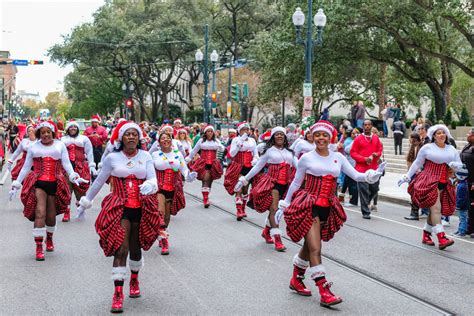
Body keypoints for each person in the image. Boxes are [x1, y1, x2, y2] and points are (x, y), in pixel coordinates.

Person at [277, 120, 384, 306]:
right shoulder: (306, 158)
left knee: (309, 246)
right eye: (317, 135)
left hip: (328, 206)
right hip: (309, 205)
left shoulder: (338, 158)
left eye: (324, 135)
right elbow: (295, 182)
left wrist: (370, 175)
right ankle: (324, 289)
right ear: (313, 136)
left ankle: (296, 279)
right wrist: (284, 203)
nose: (320, 138)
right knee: (316, 249)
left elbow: (355, 175)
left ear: (330, 138)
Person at [77, 120, 162, 313]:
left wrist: (151, 185)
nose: (131, 137)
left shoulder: (146, 156)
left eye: (134, 134)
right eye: (127, 134)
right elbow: (99, 182)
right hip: (119, 206)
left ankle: (134, 279)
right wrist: (85, 202)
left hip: (142, 207)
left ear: (139, 137)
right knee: (120, 248)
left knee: (135, 247)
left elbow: (152, 178)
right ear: (121, 138)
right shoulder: (112, 158)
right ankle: (117, 293)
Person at [9, 121, 86, 261]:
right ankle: (38, 246)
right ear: (39, 134)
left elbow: (66, 163)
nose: (45, 135)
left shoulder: (59, 145)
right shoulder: (34, 147)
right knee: (40, 212)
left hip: (55, 182)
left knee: (51, 216)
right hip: (39, 182)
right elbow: (26, 167)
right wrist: (17, 183)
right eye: (43, 132)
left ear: (52, 133)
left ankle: (49, 238)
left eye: (48, 132)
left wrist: (74, 175)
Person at [398, 124, 462, 250]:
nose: (441, 135)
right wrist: (407, 176)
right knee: (436, 209)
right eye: (438, 133)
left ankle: (426, 235)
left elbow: (459, 165)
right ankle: (441, 237)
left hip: (444, 182)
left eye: (443, 133)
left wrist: (455, 165)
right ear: (433, 135)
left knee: (434, 211)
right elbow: (417, 163)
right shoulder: (427, 148)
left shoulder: (451, 149)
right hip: (429, 181)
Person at [234, 127, 295, 252]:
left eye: (281, 134)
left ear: (284, 137)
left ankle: (266, 231)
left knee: (278, 211)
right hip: (273, 183)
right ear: (273, 137)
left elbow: (300, 167)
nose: (279, 136)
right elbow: (257, 167)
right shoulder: (269, 151)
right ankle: (277, 238)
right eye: (277, 134)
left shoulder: (290, 152)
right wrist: (244, 180)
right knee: (274, 209)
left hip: (286, 185)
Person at [152, 132, 196, 255]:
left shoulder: (178, 154)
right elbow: (149, 170)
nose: (165, 140)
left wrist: (189, 176)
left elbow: (184, 169)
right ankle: (165, 242)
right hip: (159, 187)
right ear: (159, 142)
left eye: (168, 138)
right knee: (160, 213)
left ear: (171, 141)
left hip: (173, 187)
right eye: (163, 139)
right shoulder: (154, 154)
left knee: (166, 216)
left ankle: (162, 234)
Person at [60, 120, 97, 222]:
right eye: (71, 127)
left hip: (81, 166)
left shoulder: (84, 139)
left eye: (75, 127)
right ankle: (66, 212)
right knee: (66, 189)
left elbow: (89, 153)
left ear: (77, 129)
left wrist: (91, 165)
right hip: (67, 167)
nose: (73, 128)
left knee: (80, 190)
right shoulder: (62, 140)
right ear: (67, 129)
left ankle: (80, 208)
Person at [224, 122, 258, 220]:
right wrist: (239, 144)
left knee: (245, 190)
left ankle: (243, 208)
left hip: (249, 167)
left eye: (247, 130)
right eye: (243, 129)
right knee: (238, 187)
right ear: (239, 131)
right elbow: (232, 153)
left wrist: (255, 159)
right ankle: (238, 210)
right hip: (238, 166)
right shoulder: (236, 140)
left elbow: (255, 153)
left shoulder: (252, 140)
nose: (246, 131)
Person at [350, 120, 383, 219]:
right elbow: (353, 153)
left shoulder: (376, 138)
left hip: (373, 170)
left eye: (369, 125)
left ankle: (366, 202)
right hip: (361, 169)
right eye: (365, 125)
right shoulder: (358, 139)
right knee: (363, 190)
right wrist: (364, 159)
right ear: (363, 126)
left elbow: (379, 149)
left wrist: (377, 154)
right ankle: (365, 212)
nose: (367, 126)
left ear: (371, 126)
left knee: (374, 189)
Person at [186, 125, 224, 208]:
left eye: (211, 131)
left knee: (210, 180)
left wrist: (221, 147)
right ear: (205, 133)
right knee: (205, 179)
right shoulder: (201, 141)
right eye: (208, 131)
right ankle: (205, 199)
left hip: (213, 163)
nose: (209, 133)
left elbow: (222, 150)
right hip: (203, 162)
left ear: (213, 133)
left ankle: (206, 195)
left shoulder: (217, 141)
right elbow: (194, 151)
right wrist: (188, 158)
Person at [404, 124, 431, 220]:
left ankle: (419, 212)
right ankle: (417, 212)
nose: (420, 130)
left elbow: (420, 160)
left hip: (420, 172)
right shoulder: (418, 145)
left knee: (416, 192)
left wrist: (420, 170)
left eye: (421, 129)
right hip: (415, 172)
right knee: (414, 192)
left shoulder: (425, 143)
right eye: (418, 129)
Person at [460, 128, 474, 238]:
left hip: (472, 182)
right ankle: (469, 228)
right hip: (466, 181)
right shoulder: (467, 146)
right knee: (468, 206)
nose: (467, 134)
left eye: (469, 133)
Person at [341, 127, 360, 206]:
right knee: (347, 182)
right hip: (350, 164)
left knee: (352, 184)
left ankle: (353, 201)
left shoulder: (356, 141)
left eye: (355, 133)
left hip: (353, 165)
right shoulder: (354, 141)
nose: (354, 135)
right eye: (353, 133)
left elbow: (347, 150)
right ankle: (344, 198)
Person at [453, 166, 470, 237]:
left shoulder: (461, 186)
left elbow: (461, 198)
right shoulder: (462, 184)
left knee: (463, 218)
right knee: (461, 218)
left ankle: (462, 232)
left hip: (462, 206)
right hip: (463, 205)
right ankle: (460, 230)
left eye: (456, 176)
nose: (455, 177)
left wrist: (458, 205)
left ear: (460, 177)